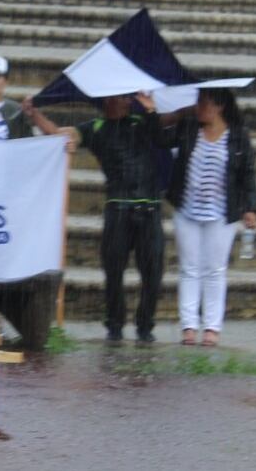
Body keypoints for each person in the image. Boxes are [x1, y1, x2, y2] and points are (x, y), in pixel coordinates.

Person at [25, 92, 164, 342]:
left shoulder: (143, 122)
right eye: (115, 98)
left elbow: (165, 132)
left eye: (124, 98)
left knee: (153, 273)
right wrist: (34, 113)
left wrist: (152, 109)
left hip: (150, 208)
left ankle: (146, 327)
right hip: (118, 208)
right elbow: (60, 135)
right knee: (113, 272)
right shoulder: (95, 127)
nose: (120, 102)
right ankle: (114, 326)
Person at [161, 88, 256, 348]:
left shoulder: (237, 136)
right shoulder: (187, 128)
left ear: (219, 106)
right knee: (189, 268)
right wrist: (176, 114)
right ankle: (189, 326)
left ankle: (212, 327)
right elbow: (158, 138)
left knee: (215, 270)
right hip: (187, 210)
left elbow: (247, 173)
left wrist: (250, 208)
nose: (199, 107)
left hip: (221, 213)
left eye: (203, 103)